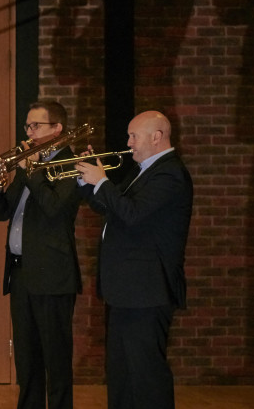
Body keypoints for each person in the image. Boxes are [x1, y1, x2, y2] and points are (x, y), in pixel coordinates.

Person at [75, 111, 193, 409]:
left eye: (133, 136)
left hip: (147, 291)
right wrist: (88, 182)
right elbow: (112, 208)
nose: (128, 143)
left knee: (146, 375)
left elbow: (132, 214)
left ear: (157, 137)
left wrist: (102, 182)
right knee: (121, 373)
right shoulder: (143, 171)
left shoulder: (169, 173)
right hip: (127, 290)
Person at [0, 102, 81, 409]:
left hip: (52, 275)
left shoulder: (70, 163)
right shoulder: (30, 165)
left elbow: (54, 208)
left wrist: (32, 171)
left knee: (56, 359)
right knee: (26, 360)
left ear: (57, 129)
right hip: (21, 274)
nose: (29, 133)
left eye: (36, 126)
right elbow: (3, 212)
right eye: (27, 126)